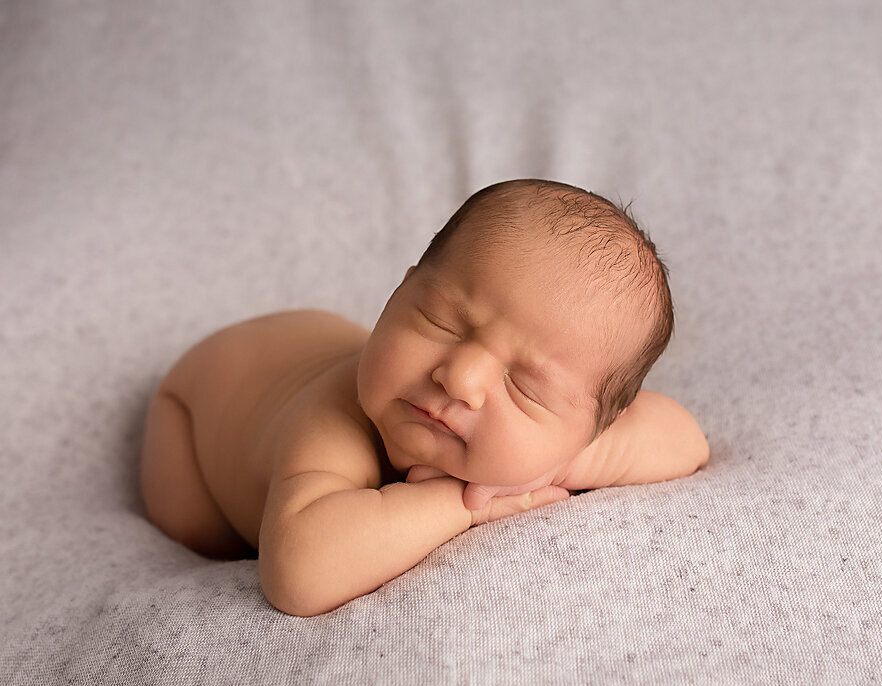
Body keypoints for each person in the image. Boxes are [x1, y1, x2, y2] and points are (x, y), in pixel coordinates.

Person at [139, 178, 709, 616]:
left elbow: (685, 439)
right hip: (199, 398)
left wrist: (552, 459)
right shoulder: (335, 419)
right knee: (199, 533)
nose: (460, 378)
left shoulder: (564, 436)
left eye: (524, 386)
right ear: (398, 292)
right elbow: (297, 571)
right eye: (441, 321)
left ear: (591, 426)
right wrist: (463, 502)